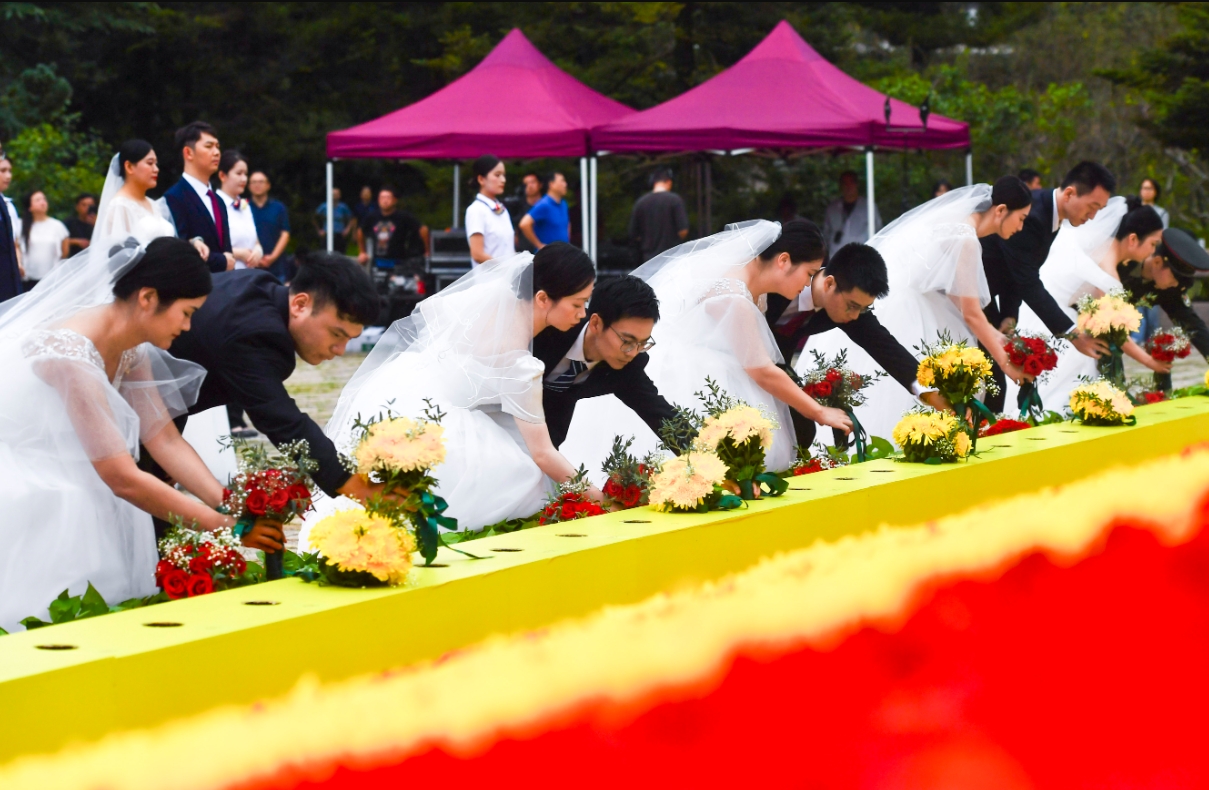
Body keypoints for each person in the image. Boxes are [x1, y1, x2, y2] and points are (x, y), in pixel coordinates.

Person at [0, 236, 283, 632]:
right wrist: (226, 528)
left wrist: (230, 504)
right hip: (42, 482)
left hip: (97, 475)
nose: (187, 327)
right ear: (148, 297)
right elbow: (120, 476)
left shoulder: (133, 348)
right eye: (186, 313)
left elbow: (163, 438)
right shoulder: (69, 356)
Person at [298, 243, 601, 544]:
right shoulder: (520, 365)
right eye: (577, 304)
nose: (583, 313)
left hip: (399, 386)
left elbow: (430, 309)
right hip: (437, 421)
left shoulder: (487, 299)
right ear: (543, 298)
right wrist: (598, 499)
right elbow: (543, 453)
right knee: (529, 480)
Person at [805, 178, 1035, 443]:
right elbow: (972, 314)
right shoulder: (966, 237)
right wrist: (1007, 364)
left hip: (902, 303)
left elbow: (960, 300)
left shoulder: (950, 225)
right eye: (1021, 218)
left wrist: (1002, 342)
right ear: (1000, 211)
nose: (1021, 227)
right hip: (915, 313)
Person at [168, 250, 385, 509]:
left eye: (349, 339)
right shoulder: (256, 330)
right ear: (300, 304)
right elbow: (281, 420)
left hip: (157, 414)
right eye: (336, 334)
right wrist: (355, 486)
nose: (339, 350)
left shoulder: (259, 287)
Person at [767, 243, 952, 447]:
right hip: (739, 358)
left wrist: (931, 393)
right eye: (852, 306)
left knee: (799, 430)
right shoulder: (777, 284)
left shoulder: (850, 308)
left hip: (776, 366)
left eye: (863, 309)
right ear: (829, 284)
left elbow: (885, 347)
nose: (855, 315)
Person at [1006, 198, 1168, 410]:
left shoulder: (1094, 248)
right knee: (1061, 388)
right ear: (1133, 239)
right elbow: (1120, 335)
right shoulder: (1108, 273)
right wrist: (1150, 363)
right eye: (1153, 244)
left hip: (1043, 313)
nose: (1152, 252)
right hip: (1060, 325)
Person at [980, 161, 1118, 410]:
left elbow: (1017, 270)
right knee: (990, 380)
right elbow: (1027, 280)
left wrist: (1009, 316)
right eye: (1092, 206)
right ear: (1070, 194)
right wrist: (1072, 334)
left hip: (986, 297)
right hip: (970, 296)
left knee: (992, 381)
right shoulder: (1033, 215)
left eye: (1100, 209)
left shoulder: (1050, 214)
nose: (1093, 216)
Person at [537, 276, 679, 475]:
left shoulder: (627, 367)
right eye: (627, 340)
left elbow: (661, 415)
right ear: (595, 323)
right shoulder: (550, 329)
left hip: (546, 447)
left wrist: (711, 464)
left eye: (643, 343)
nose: (632, 352)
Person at [1120, 227, 1209, 386]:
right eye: (1175, 277)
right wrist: (1148, 361)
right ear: (1157, 262)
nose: (1176, 284)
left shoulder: (1170, 288)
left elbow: (1193, 325)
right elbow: (1108, 325)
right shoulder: (1123, 264)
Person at [163, 122, 235, 274]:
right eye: (209, 146)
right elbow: (179, 250)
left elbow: (227, 251)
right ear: (188, 153)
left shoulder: (218, 200)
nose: (216, 152)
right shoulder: (174, 197)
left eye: (218, 146)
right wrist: (222, 261)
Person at [358, 185, 428, 272]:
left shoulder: (403, 216)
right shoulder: (372, 217)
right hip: (378, 262)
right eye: (382, 198)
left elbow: (423, 229)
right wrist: (362, 252)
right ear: (378, 200)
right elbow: (361, 231)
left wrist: (427, 251)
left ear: (395, 200)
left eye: (388, 197)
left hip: (399, 262)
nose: (385, 201)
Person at [628, 168, 689, 263]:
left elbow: (634, 234)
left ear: (654, 183)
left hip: (648, 259)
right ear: (669, 182)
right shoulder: (675, 200)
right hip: (671, 258)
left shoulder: (641, 203)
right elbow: (683, 230)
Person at [216, 150, 264, 270]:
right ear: (222, 176)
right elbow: (209, 247)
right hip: (227, 278)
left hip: (249, 277)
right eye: (239, 173)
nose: (244, 179)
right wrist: (238, 253)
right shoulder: (213, 205)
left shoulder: (245, 206)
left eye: (245, 174)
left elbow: (256, 241)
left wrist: (258, 252)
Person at [464, 155, 514, 265]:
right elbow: (477, 254)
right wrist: (505, 267)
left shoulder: (502, 209)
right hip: (489, 279)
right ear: (481, 179)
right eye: (497, 175)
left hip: (508, 279)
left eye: (503, 175)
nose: (503, 180)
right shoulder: (476, 210)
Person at [19, 191, 70, 289]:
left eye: (44, 199)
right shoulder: (21, 225)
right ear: (29, 206)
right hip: (28, 278)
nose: (43, 202)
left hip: (51, 277)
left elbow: (65, 251)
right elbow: (17, 246)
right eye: (38, 200)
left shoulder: (57, 226)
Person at [248, 171, 293, 282]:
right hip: (249, 266)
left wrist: (272, 257)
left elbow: (285, 233)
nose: (257, 185)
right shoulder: (243, 207)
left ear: (268, 185)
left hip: (277, 268)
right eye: (253, 182)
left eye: (261, 181)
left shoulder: (278, 207)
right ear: (248, 186)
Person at [823, 170, 882, 253]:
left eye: (851, 182)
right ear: (840, 186)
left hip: (861, 255)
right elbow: (826, 234)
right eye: (845, 183)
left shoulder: (869, 206)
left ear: (857, 184)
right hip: (836, 256)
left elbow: (878, 230)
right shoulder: (832, 208)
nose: (848, 186)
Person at [520, 171, 571, 249]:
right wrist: (539, 245)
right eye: (562, 181)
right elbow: (524, 224)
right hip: (548, 257)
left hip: (562, 254)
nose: (565, 184)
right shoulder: (544, 204)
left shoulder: (563, 203)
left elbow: (567, 224)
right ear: (551, 184)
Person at [0, 154, 22, 301]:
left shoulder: (8, 205)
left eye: (10, 170)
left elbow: (13, 241)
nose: (8, 176)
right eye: (3, 171)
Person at [314, 187, 354, 252]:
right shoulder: (324, 206)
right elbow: (314, 217)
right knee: (325, 255)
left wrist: (347, 229)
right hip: (327, 234)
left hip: (339, 235)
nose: (334, 196)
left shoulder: (343, 207)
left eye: (336, 194)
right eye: (333, 194)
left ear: (339, 196)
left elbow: (351, 218)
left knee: (340, 255)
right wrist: (319, 230)